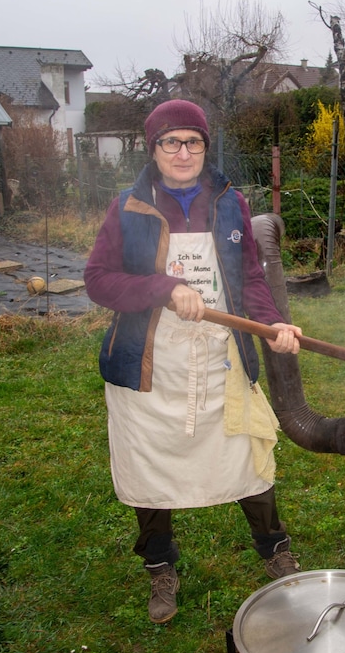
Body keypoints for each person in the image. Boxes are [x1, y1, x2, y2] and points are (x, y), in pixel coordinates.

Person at [84, 99, 303, 624]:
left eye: (194, 142)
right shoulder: (128, 208)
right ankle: (160, 565)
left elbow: (249, 277)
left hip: (219, 353)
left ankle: (274, 547)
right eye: (171, 142)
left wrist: (273, 321)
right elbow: (97, 281)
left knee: (245, 448)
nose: (183, 152)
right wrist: (164, 288)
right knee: (149, 464)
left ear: (207, 147)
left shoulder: (230, 203)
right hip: (150, 363)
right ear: (153, 147)